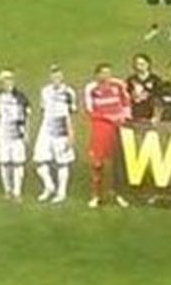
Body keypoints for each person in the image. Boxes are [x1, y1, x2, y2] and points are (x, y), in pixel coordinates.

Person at [83, 63, 131, 209]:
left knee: (116, 163)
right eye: (103, 73)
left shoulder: (118, 84)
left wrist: (124, 118)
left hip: (117, 128)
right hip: (101, 127)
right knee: (97, 163)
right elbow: (89, 109)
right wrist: (107, 118)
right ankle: (96, 195)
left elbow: (126, 102)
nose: (106, 76)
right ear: (97, 75)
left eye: (109, 73)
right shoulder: (91, 88)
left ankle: (118, 194)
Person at [33, 66, 77, 204]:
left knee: (62, 162)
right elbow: (43, 109)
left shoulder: (69, 92)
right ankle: (49, 186)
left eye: (58, 77)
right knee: (39, 159)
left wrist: (71, 134)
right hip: (46, 127)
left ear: (62, 77)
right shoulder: (45, 91)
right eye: (53, 77)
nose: (56, 79)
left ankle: (61, 192)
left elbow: (71, 114)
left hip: (62, 128)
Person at [0, 70, 31, 201]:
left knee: (18, 163)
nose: (7, 83)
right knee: (4, 163)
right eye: (4, 81)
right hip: (3, 134)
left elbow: (27, 116)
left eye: (10, 80)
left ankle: (17, 191)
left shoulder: (21, 97)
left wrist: (27, 133)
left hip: (17, 133)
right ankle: (7, 190)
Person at [127, 53, 162, 122]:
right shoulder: (131, 80)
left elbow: (159, 99)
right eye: (138, 64)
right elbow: (128, 97)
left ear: (148, 64)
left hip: (150, 114)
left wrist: (156, 115)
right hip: (135, 113)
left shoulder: (155, 79)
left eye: (142, 64)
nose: (140, 67)